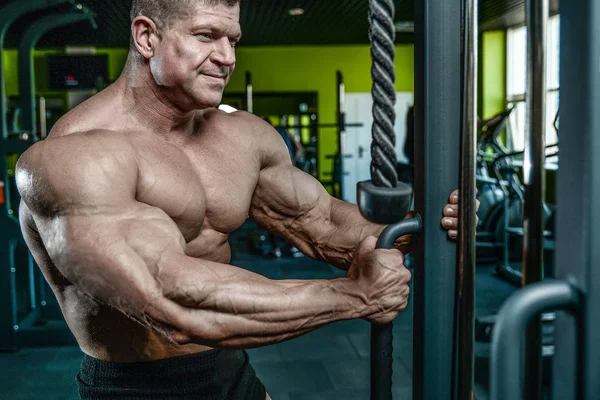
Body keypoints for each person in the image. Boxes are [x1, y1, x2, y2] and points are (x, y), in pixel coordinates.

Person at [14, 1, 475, 399]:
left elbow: (326, 225)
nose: (227, 57)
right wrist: (353, 298)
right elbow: (173, 303)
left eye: (233, 39)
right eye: (206, 36)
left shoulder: (239, 137)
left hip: (229, 372)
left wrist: (429, 226)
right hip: (134, 385)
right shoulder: (76, 156)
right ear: (146, 36)